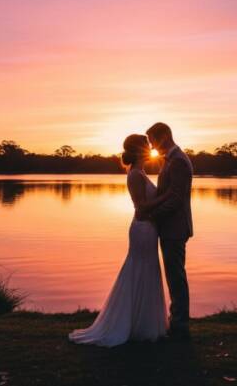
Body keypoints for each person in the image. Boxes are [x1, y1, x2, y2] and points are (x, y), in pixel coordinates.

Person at [68, 134, 169, 347]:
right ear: (140, 149)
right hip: (142, 229)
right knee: (139, 271)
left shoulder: (140, 172)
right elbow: (141, 208)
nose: (151, 147)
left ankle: (144, 324)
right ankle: (133, 325)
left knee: (148, 271)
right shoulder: (134, 175)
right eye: (147, 145)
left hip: (148, 229)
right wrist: (166, 197)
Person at [140, 122, 193, 340]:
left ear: (164, 136)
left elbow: (175, 199)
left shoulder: (179, 161)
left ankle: (180, 324)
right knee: (173, 275)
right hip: (169, 227)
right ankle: (176, 320)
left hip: (175, 227)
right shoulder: (170, 160)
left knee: (176, 276)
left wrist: (152, 215)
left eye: (152, 140)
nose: (152, 146)